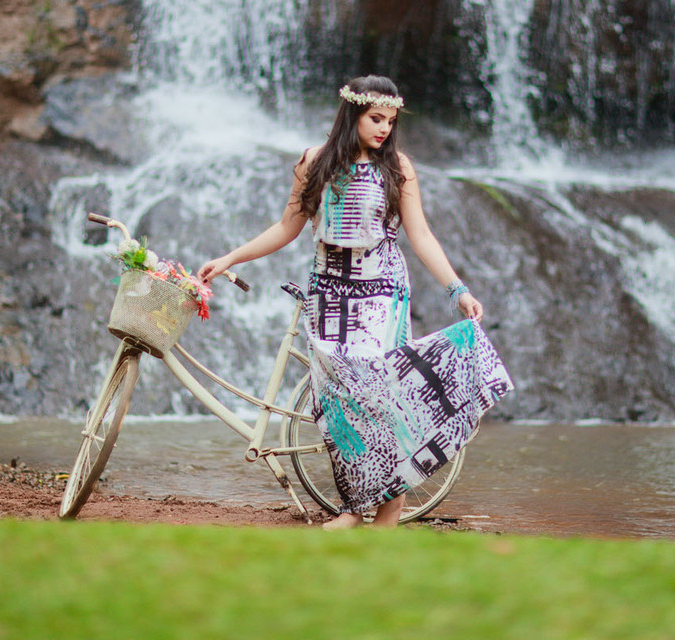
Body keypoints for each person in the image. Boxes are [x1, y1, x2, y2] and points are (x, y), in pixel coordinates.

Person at [198, 75, 513, 529]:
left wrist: (457, 289)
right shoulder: (313, 162)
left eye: (391, 120)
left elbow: (420, 235)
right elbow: (287, 227)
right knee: (338, 401)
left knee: (378, 393)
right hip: (328, 291)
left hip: (382, 289)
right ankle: (355, 504)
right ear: (353, 114)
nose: (385, 128)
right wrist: (230, 257)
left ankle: (385, 508)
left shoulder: (397, 167)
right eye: (375, 118)